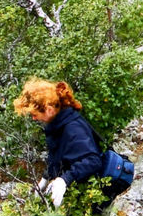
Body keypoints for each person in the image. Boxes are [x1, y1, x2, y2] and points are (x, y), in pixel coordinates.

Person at [13, 78, 102, 208]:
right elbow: (58, 156)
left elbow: (93, 161)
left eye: (34, 114)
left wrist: (64, 180)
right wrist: (46, 177)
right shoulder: (56, 125)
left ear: (48, 109)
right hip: (77, 194)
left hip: (94, 196)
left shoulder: (73, 128)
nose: (33, 118)